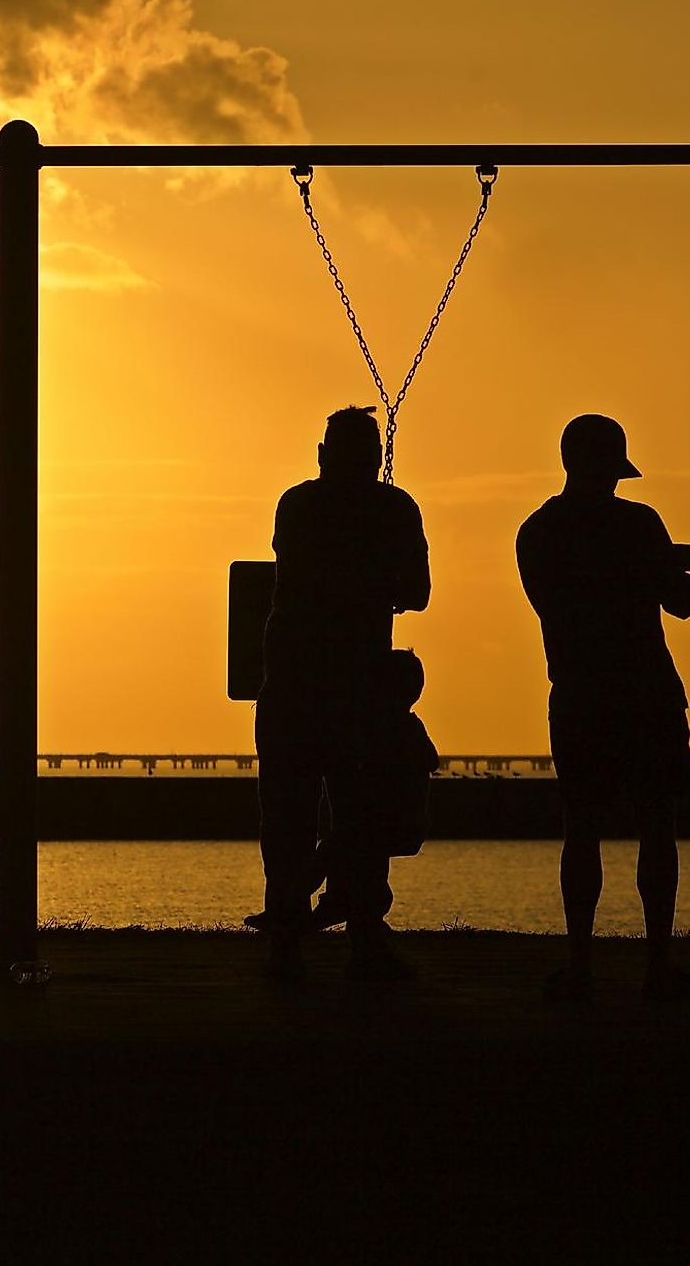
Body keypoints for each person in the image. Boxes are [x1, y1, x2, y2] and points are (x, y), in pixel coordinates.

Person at [516, 414, 690, 1002]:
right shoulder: (639, 524)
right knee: (657, 828)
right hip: (647, 692)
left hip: (578, 693)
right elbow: (679, 603)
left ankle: (581, 962)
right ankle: (658, 964)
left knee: (580, 830)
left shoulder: (537, 532)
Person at [251, 407, 430, 981]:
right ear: (375, 459)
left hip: (292, 683)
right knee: (361, 812)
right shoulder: (393, 509)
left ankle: (287, 933)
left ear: (323, 454)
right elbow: (417, 592)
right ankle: (364, 937)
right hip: (359, 689)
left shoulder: (297, 505)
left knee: (287, 814)